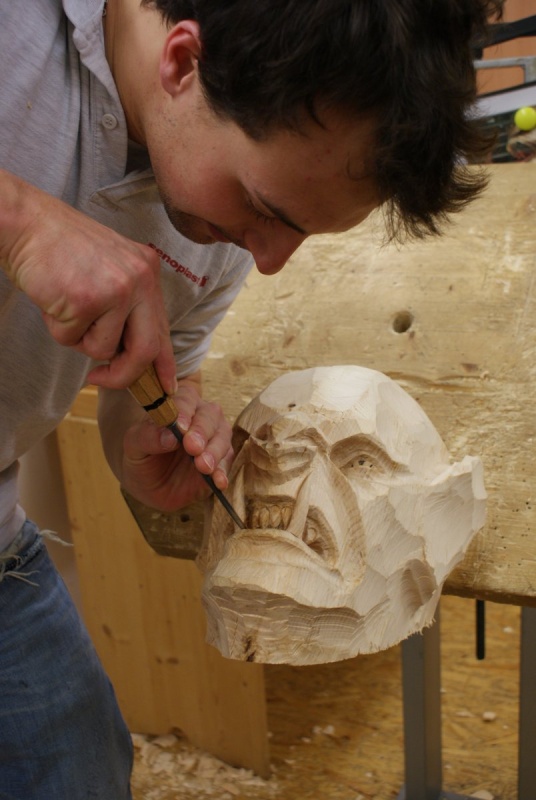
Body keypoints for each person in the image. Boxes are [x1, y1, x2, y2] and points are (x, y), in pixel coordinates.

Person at [0, 0, 503, 797]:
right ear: (181, 63)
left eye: (300, 233)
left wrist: (143, 440)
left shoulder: (219, 228)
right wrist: (21, 223)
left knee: (81, 768)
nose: (267, 260)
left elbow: (151, 382)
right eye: (265, 210)